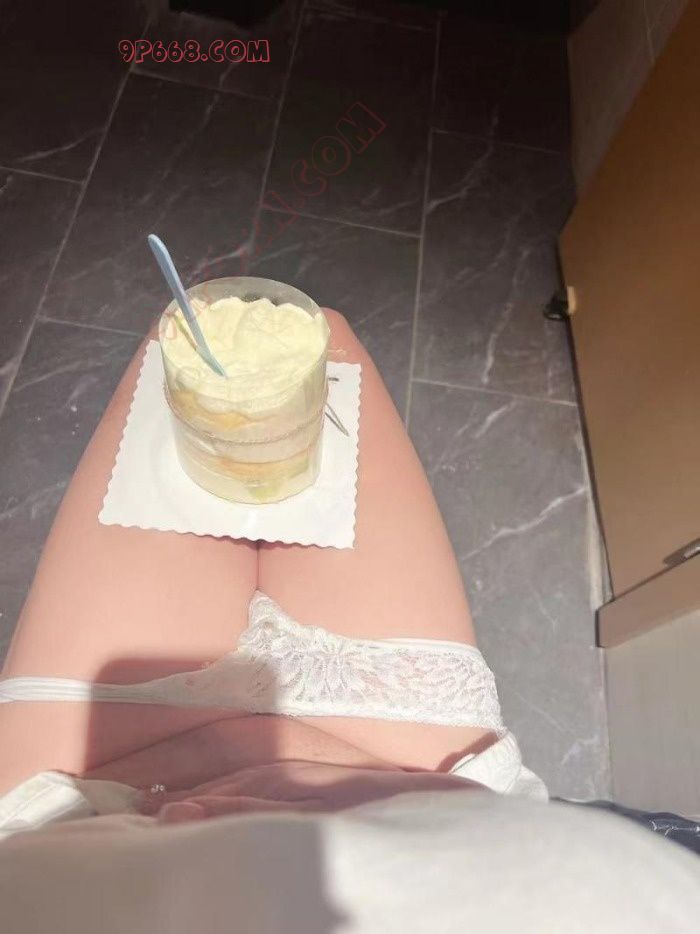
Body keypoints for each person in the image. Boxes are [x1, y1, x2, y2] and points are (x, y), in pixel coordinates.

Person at [0, 310, 698, 932]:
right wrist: (415, 792)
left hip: (83, 795)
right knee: (300, 346)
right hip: (420, 777)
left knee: (204, 341)